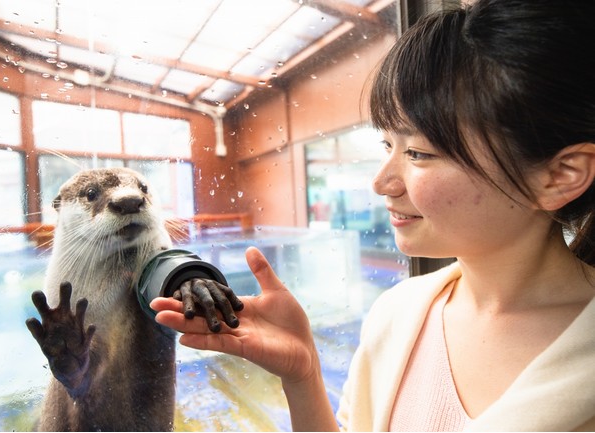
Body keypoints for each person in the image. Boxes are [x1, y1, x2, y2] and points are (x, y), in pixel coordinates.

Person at [150, 0, 595, 430]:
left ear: (560, 175)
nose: (382, 182)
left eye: (418, 152)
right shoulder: (399, 313)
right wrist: (302, 374)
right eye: (387, 146)